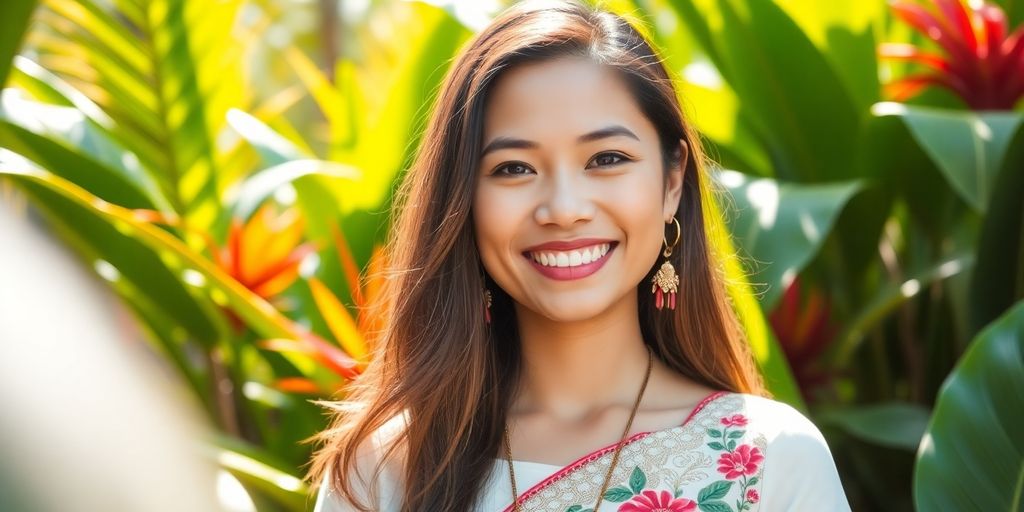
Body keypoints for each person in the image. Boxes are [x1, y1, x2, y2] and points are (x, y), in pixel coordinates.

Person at [304, 1, 852, 510]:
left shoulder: (771, 460)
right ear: (463, 199)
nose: (563, 209)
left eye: (606, 158)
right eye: (514, 168)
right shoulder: (386, 468)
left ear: (671, 180)